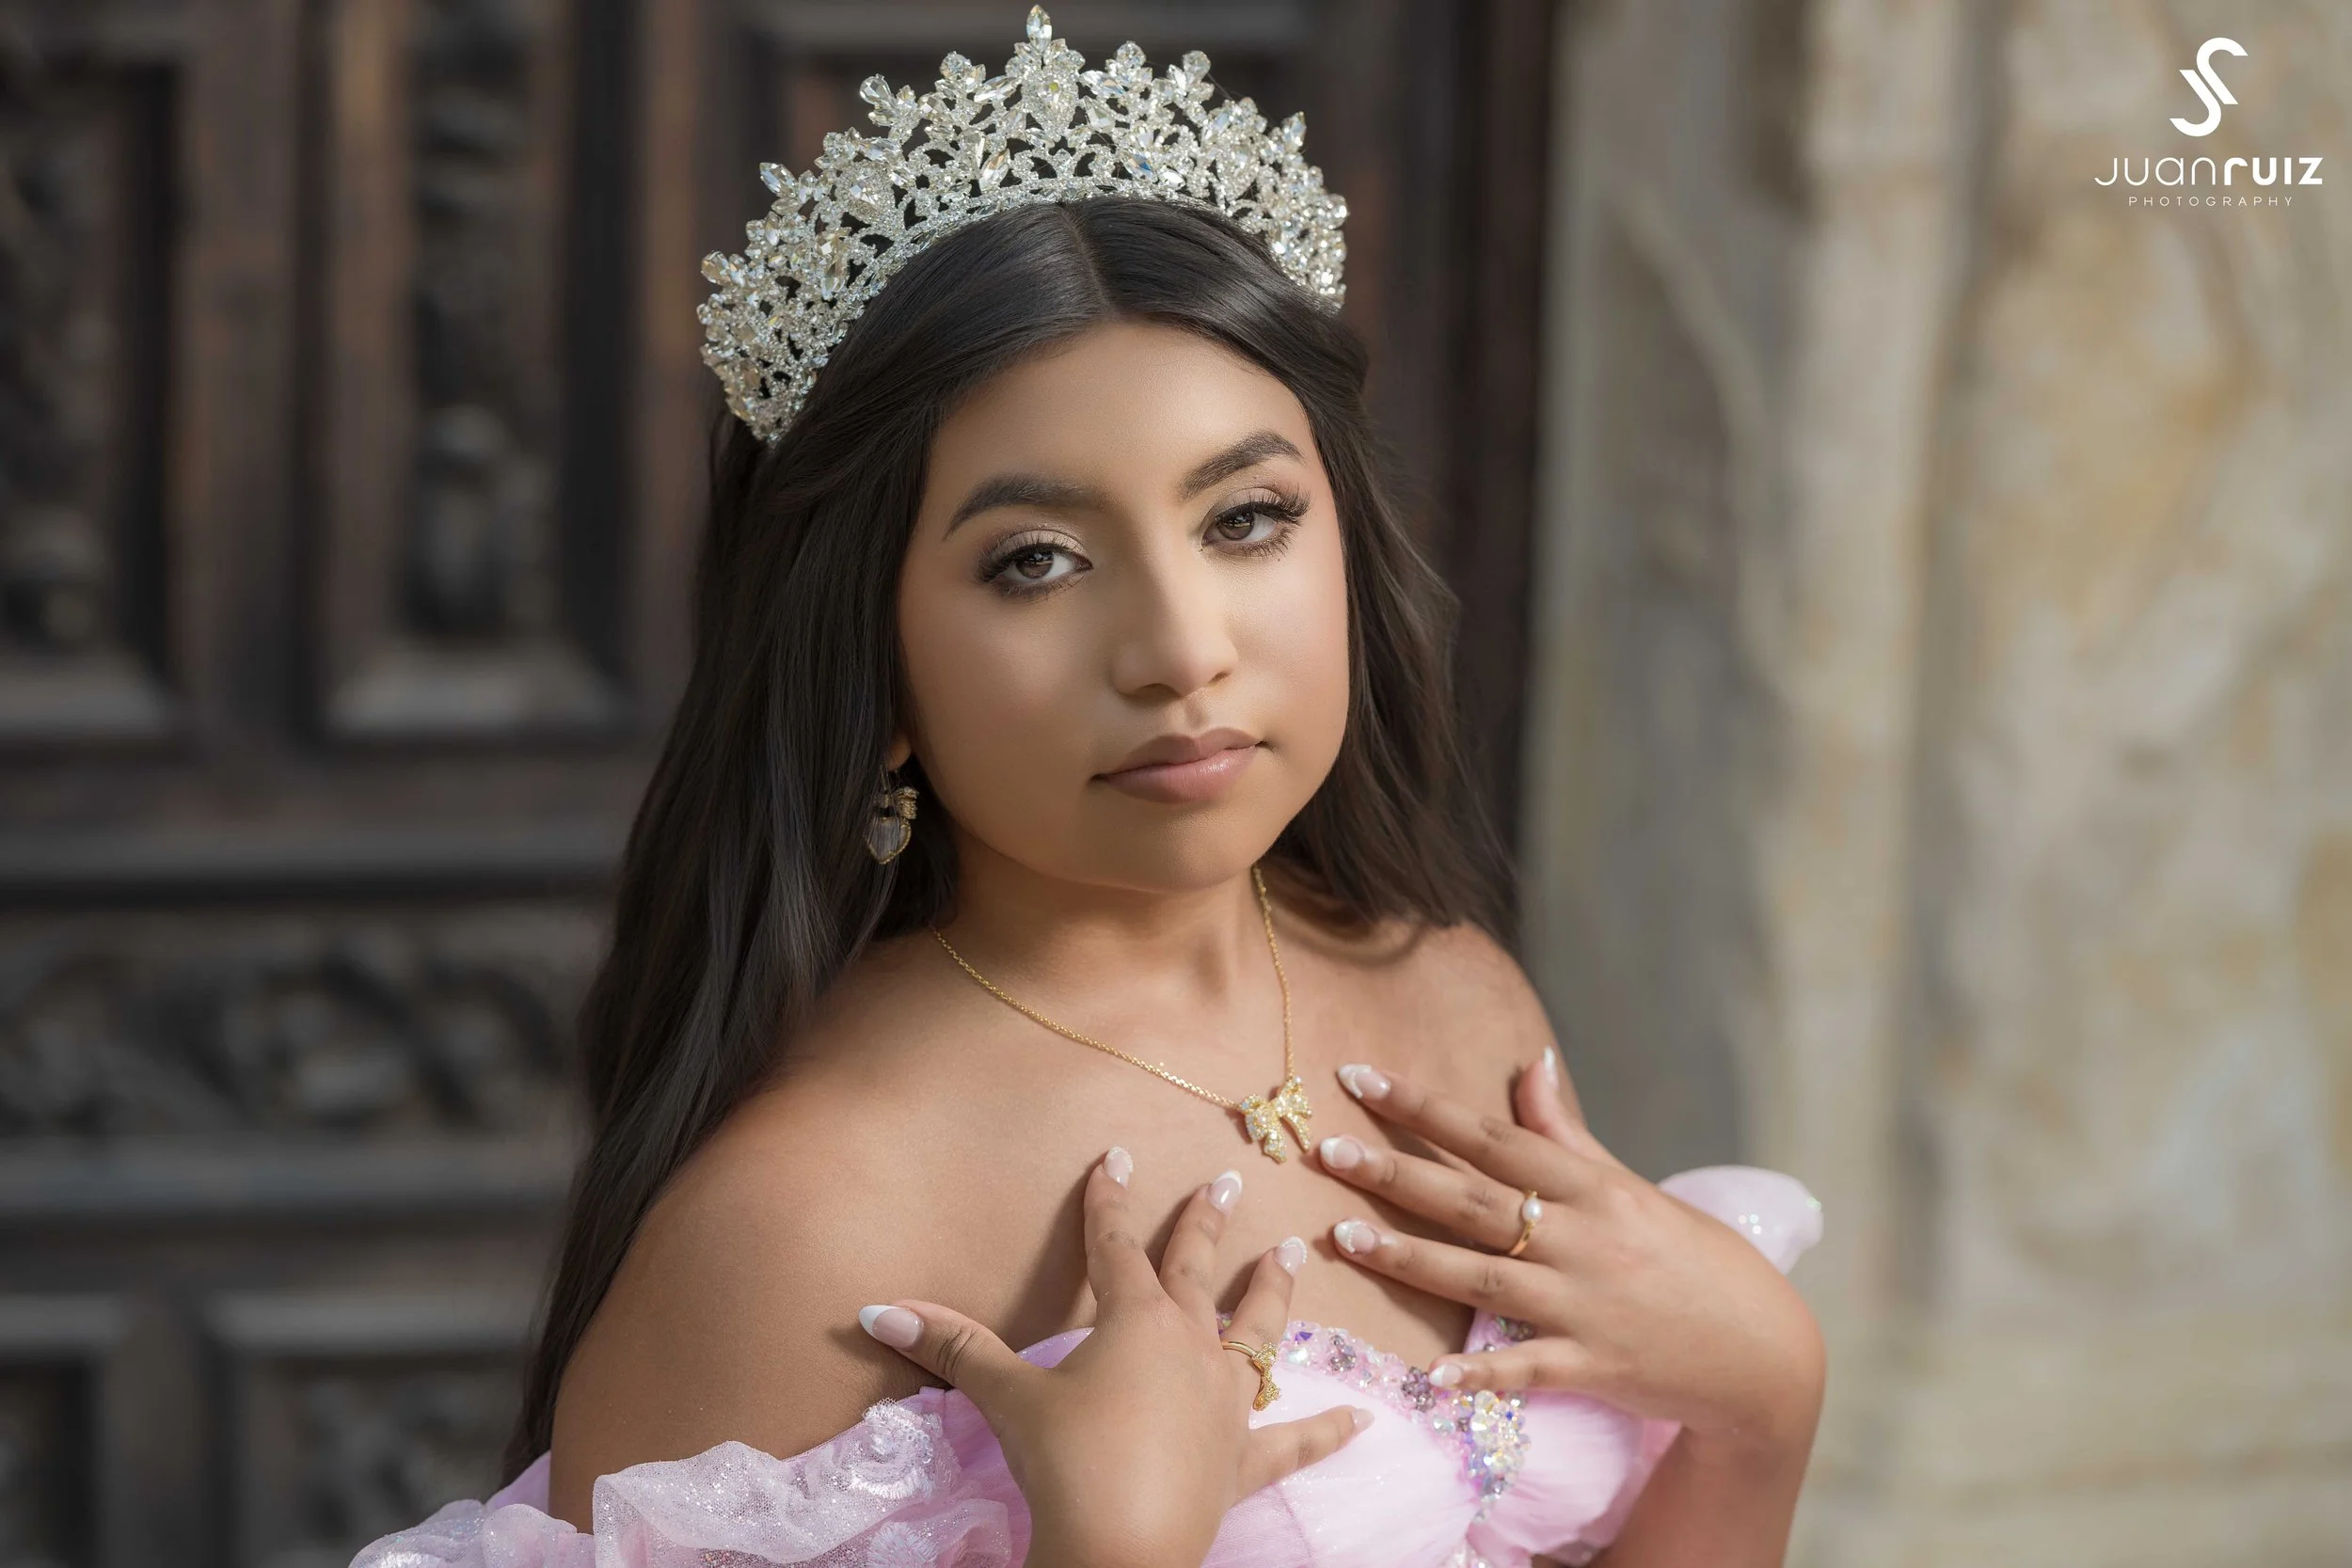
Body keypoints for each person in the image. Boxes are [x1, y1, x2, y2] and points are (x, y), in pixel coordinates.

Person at [349, 10, 1825, 1567]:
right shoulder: (804, 1226)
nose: (1182, 648)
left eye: (1245, 518)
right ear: (871, 661)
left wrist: (1763, 1405)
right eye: (1036, 560)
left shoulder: (1456, 1001)